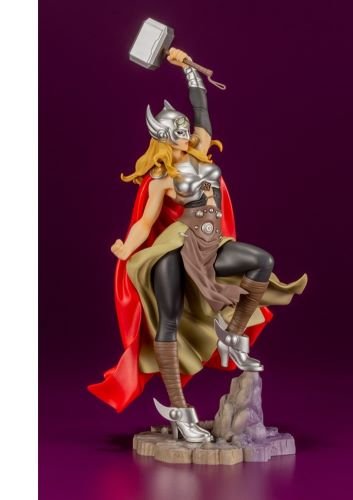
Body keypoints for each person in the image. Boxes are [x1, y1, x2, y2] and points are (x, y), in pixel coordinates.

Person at [88, 48, 307, 443]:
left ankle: (232, 333)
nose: (187, 133)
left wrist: (188, 69)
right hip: (174, 249)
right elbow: (145, 221)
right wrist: (126, 248)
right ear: (163, 138)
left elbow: (202, 110)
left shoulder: (201, 151)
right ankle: (178, 407)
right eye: (179, 131)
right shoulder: (160, 180)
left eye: (186, 129)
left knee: (262, 262)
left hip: (211, 243)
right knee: (168, 321)